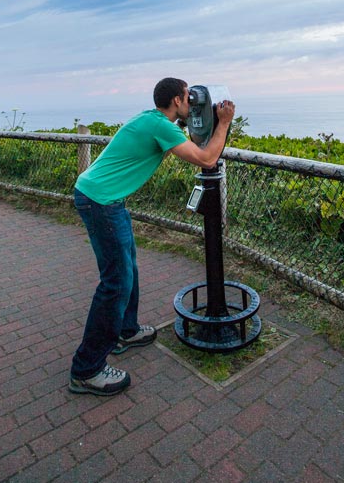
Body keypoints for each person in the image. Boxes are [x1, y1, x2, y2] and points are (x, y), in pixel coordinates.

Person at [69, 77, 235, 396]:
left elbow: (193, 143)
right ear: (176, 101)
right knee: (115, 282)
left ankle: (125, 331)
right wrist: (223, 123)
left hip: (103, 198)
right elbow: (207, 158)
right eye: (189, 98)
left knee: (126, 269)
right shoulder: (163, 127)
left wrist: (203, 120)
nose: (193, 102)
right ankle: (87, 368)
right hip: (101, 201)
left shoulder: (152, 119)